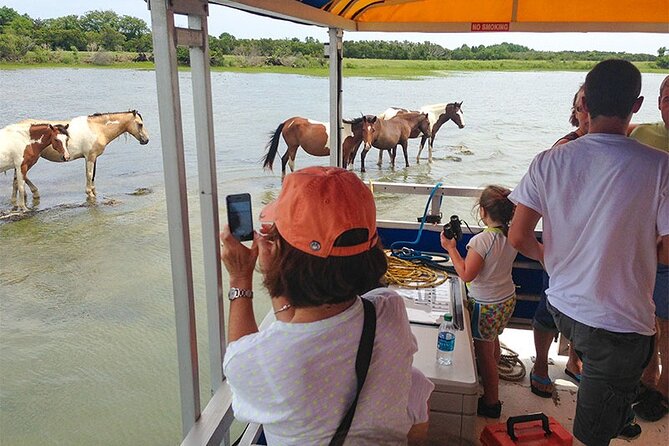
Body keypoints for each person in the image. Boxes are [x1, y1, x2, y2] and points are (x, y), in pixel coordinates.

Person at [508, 59, 669, 445]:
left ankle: (614, 409)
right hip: (619, 324)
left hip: (564, 308)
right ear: (637, 104)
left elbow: (517, 237)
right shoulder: (660, 166)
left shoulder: (549, 160)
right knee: (590, 435)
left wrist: (550, 259)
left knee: (605, 393)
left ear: (586, 103)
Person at [220, 166, 434, 445]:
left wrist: (241, 277)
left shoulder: (267, 362)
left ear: (285, 258)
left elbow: (244, 353)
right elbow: (307, 331)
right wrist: (281, 273)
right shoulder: (387, 310)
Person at [530, 85, 588, 399]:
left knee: (585, 312)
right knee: (546, 309)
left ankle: (574, 360)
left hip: (594, 252)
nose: (587, 112)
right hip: (561, 249)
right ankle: (540, 365)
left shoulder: (621, 144)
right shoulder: (562, 150)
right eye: (582, 106)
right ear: (576, 111)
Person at [440, 185, 517, 419]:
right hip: (506, 300)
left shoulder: (481, 241)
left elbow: (466, 274)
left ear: (482, 211)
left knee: (483, 352)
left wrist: (451, 249)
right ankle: (490, 375)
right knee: (492, 341)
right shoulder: (512, 235)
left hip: (486, 305)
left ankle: (491, 402)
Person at [629, 74, 669, 422]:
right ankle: (649, 378)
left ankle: (664, 387)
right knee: (649, 318)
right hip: (647, 248)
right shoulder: (643, 134)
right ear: (657, 102)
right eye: (667, 96)